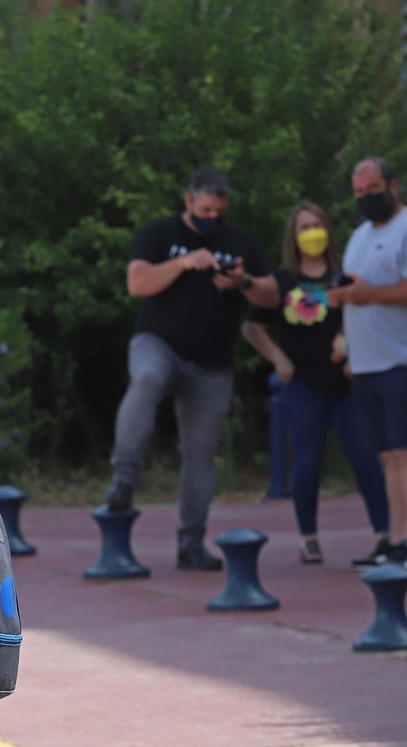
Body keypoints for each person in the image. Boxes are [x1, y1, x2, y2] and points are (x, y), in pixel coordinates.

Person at [106, 168, 279, 570]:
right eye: (205, 210)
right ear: (188, 203)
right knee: (146, 380)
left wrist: (244, 281)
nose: (212, 218)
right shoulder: (161, 234)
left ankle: (191, 543)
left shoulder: (239, 242)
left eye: (219, 211)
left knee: (201, 454)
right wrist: (185, 263)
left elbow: (271, 295)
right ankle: (124, 479)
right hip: (159, 344)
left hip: (212, 364)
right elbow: (138, 283)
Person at [242, 202, 390, 565]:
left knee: (366, 459)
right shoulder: (281, 282)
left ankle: (385, 536)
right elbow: (252, 326)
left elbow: (369, 318)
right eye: (304, 226)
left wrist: (357, 353)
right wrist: (278, 359)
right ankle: (308, 536)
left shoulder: (344, 277)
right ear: (294, 236)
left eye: (317, 225)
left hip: (346, 385)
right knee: (308, 459)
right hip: (303, 385)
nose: (312, 233)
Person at [327, 158, 407, 573]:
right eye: (359, 192)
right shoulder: (360, 235)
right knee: (385, 454)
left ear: (394, 186)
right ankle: (392, 538)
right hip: (367, 363)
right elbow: (357, 291)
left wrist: (369, 296)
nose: (366, 197)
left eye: (374, 188)